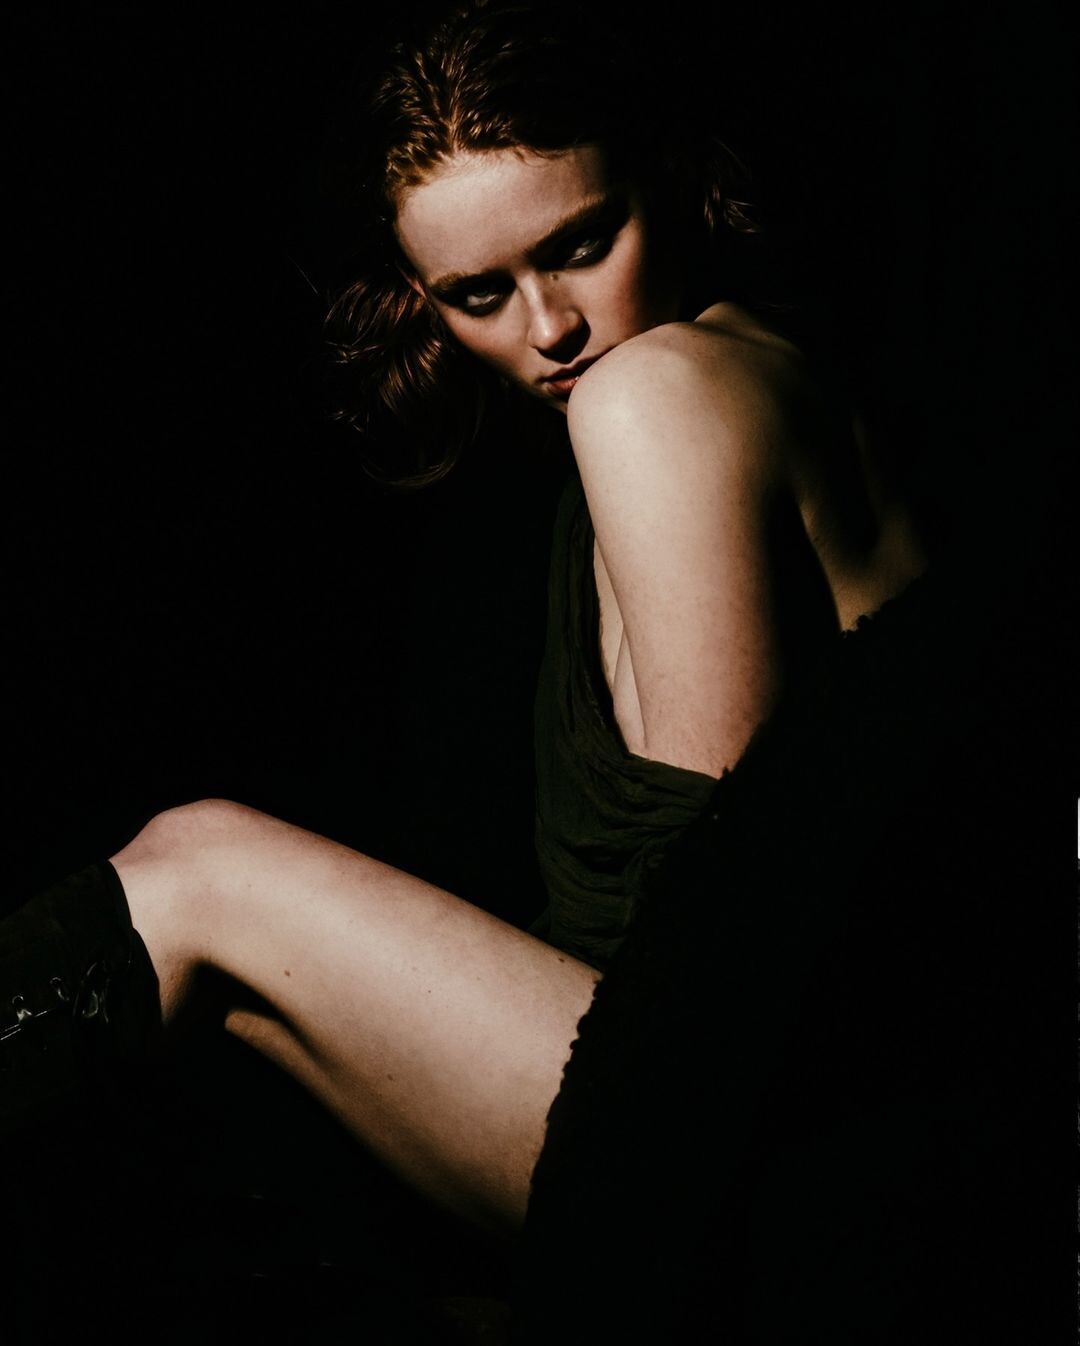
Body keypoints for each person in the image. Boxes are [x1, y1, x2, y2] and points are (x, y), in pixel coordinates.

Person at [1, 0, 926, 1246]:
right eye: (479, 292)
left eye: (583, 243)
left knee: (197, 869)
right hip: (725, 1104)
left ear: (665, 174)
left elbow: (713, 962)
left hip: (745, 1141)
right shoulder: (752, 375)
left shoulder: (655, 395)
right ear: (421, 299)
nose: (550, 328)